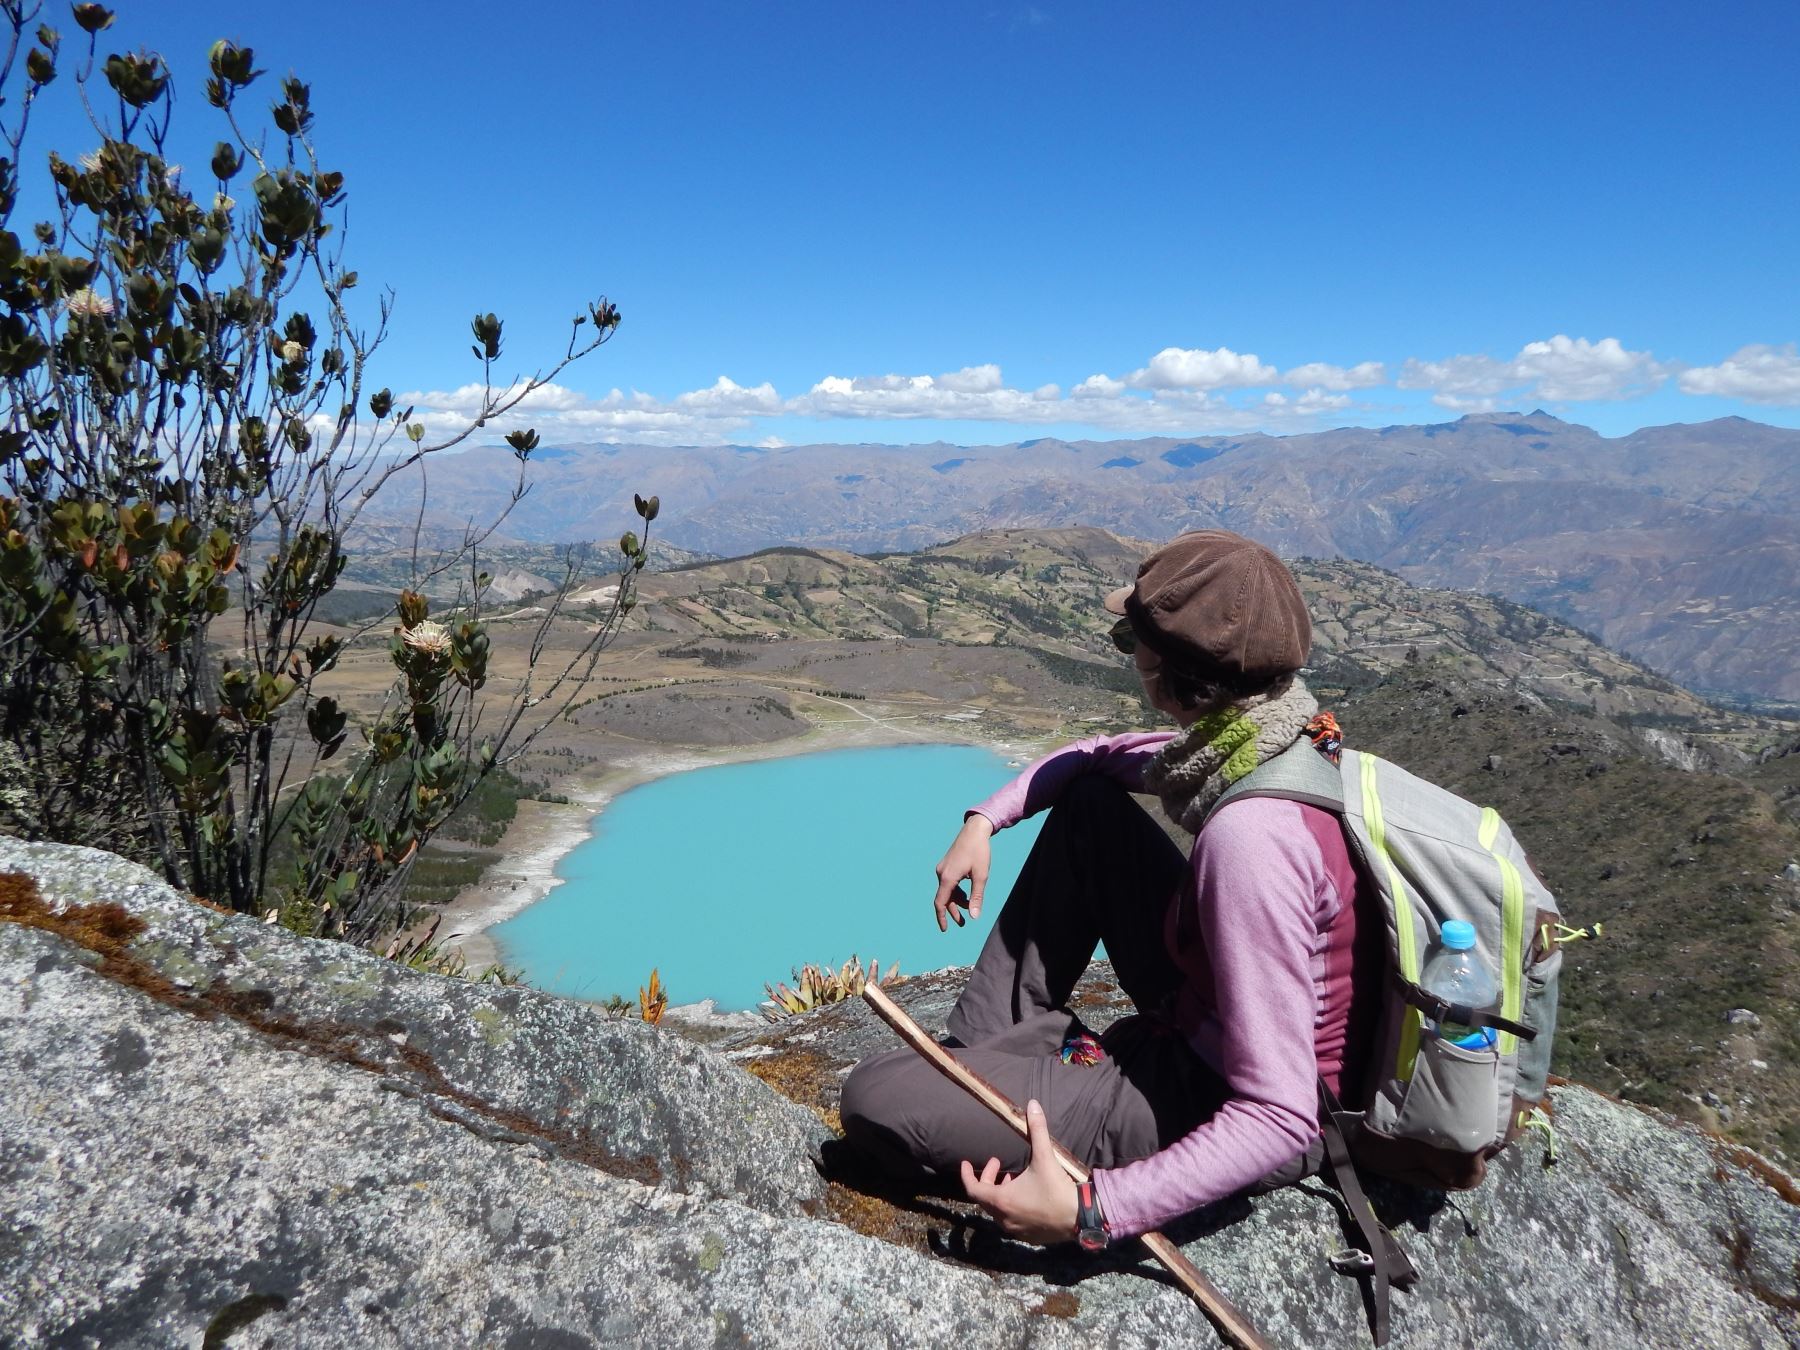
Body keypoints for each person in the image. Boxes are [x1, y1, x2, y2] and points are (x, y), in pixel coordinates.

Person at [840, 529, 1381, 1248]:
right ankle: (985, 1059)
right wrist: (984, 821)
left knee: (875, 1098)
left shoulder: (1252, 840)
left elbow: (1279, 1118)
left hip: (1209, 1091)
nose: (1127, 654)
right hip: (1213, 1010)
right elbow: (1096, 758)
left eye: (1132, 641)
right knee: (1091, 806)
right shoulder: (1281, 739)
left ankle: (1002, 1079)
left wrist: (1090, 1210)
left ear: (1174, 672)